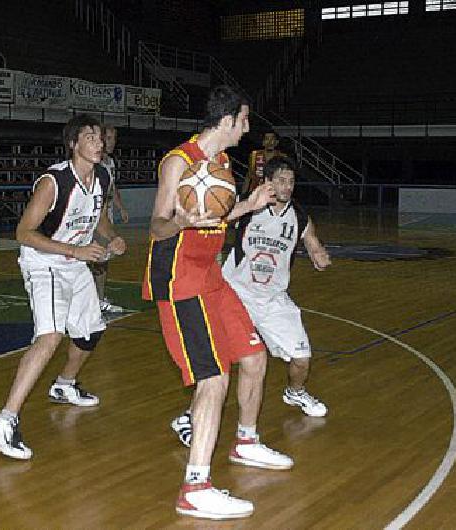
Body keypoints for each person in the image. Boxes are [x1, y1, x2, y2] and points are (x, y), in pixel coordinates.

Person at [142, 85, 293, 521]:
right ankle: (195, 487)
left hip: (212, 276)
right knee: (213, 378)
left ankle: (245, 441)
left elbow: (217, 214)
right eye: (244, 120)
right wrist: (180, 221)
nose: (248, 128)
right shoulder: (179, 161)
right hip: (179, 279)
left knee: (254, 355)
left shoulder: (224, 163)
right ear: (227, 121)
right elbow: (155, 225)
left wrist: (249, 203)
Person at [0, 114, 127, 460]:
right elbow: (23, 233)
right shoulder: (54, 181)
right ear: (74, 144)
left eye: (100, 137)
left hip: (74, 263)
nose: (98, 142)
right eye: (90, 137)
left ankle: (64, 385)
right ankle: (3, 421)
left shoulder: (103, 176)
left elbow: (97, 216)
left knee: (91, 332)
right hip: (43, 262)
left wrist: (112, 236)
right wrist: (75, 250)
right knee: (50, 337)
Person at [170, 156, 332, 451]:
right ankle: (189, 418)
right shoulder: (247, 207)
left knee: (302, 359)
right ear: (267, 182)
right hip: (237, 293)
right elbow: (219, 218)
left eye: (291, 181)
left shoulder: (300, 216)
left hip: (273, 300)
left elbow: (312, 240)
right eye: (281, 180)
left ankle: (295, 392)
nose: (287, 186)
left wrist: (318, 254)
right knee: (222, 363)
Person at [90, 124, 130, 314]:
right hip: (94, 219)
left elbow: (112, 189)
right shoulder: (94, 163)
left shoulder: (110, 163)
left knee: (102, 260)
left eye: (115, 138)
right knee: (97, 259)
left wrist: (120, 207)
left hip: (106, 216)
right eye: (109, 138)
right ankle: (94, 300)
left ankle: (98, 298)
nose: (112, 142)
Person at [242, 130, 285, 196]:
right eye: (267, 139)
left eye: (272, 139)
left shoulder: (282, 157)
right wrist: (243, 194)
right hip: (256, 194)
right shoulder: (254, 155)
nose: (270, 142)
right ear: (263, 142)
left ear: (276, 142)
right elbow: (249, 176)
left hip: (275, 194)